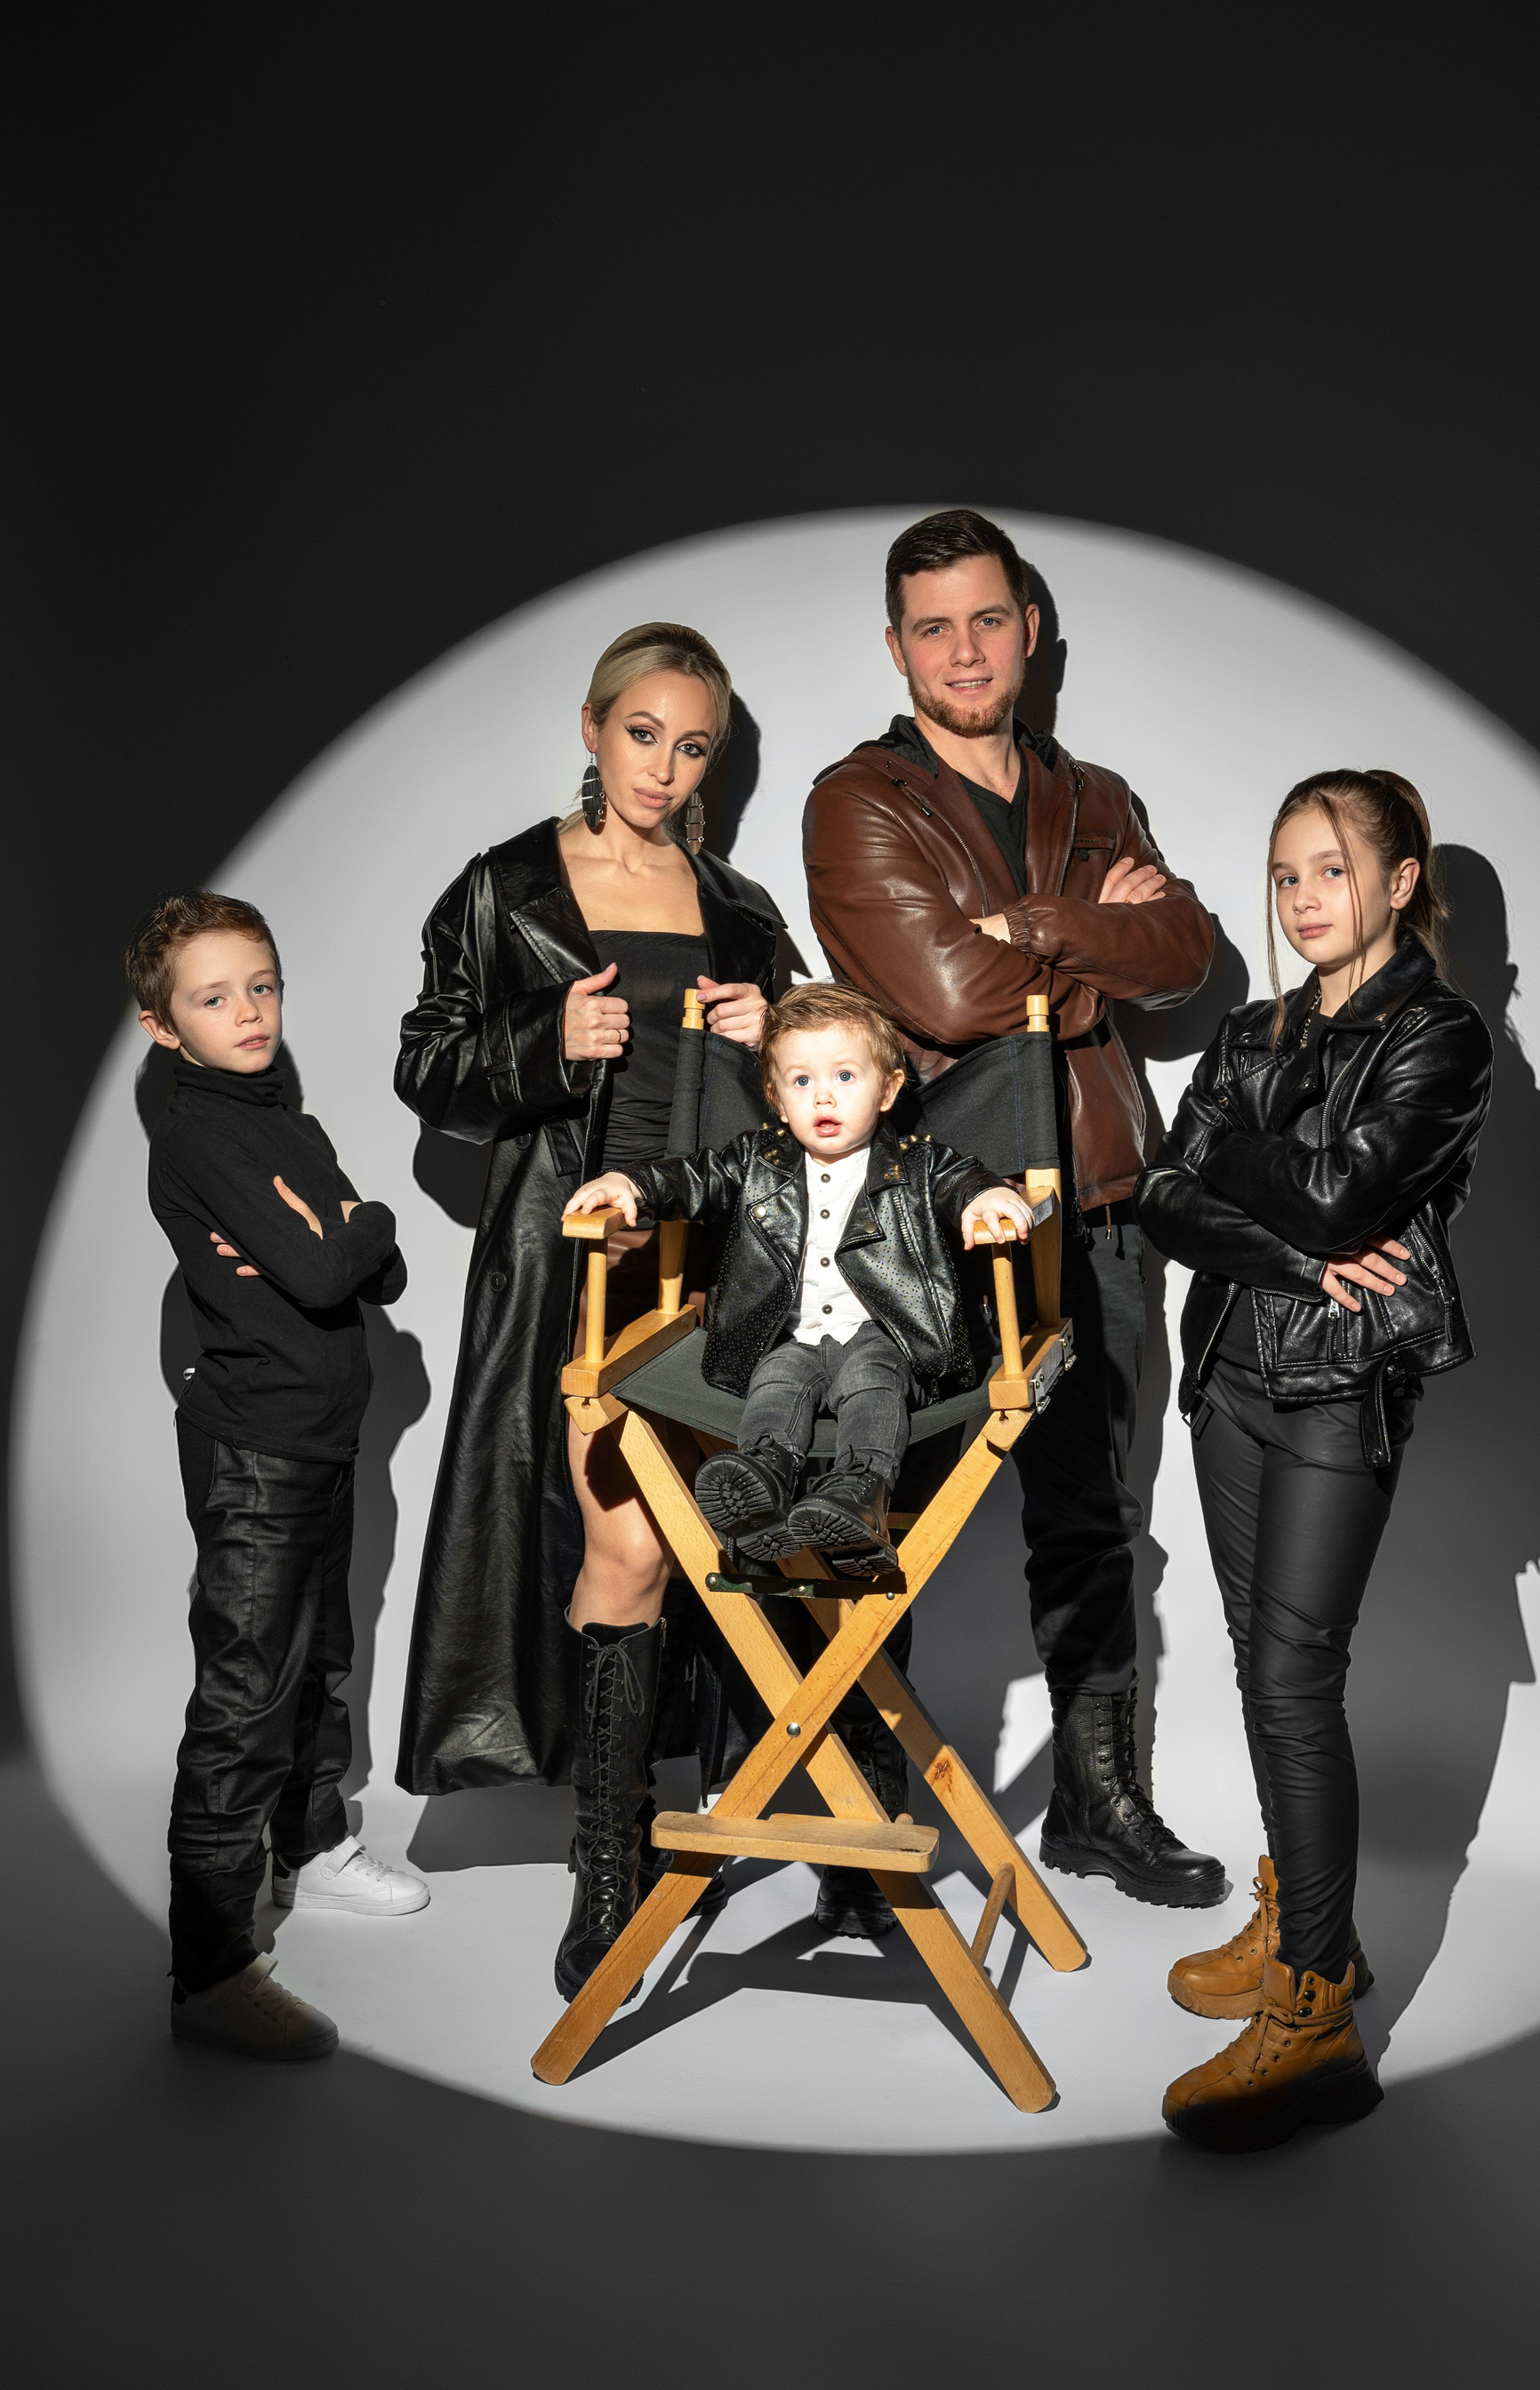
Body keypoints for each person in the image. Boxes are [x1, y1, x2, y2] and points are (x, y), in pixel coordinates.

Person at [804, 507, 1229, 1914]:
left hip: (1097, 1201)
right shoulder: (857, 801)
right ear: (896, 646)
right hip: (933, 1215)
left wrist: (1033, 931)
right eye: (933, 628)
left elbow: (1189, 949)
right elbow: (938, 995)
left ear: (1029, 629)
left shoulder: (1095, 793)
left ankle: (1100, 1808)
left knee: (1095, 1512)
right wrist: (1096, 935)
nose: (965, 651)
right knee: (884, 1509)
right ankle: (862, 1836)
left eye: (988, 620)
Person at [393, 622, 784, 2003]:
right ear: (592, 727)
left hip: (723, 1265)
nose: (664, 769)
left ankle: (700, 1817)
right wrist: (543, 1042)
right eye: (643, 734)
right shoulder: (505, 889)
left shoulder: (740, 907)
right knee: (621, 1532)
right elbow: (426, 1066)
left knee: (712, 1537)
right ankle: (608, 1858)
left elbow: (819, 1090)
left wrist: (771, 1037)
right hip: (580, 1267)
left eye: (694, 748)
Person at [1137, 768, 1494, 2152]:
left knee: (1296, 1684)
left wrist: (1240, 1159)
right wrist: (1292, 1247)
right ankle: (1308, 1923)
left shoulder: (1438, 1038)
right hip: (1230, 1372)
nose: (1301, 898)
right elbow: (1161, 1195)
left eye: (1331, 870)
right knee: (1260, 1668)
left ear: (1399, 883)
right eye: (1286, 874)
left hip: (1342, 1388)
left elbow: (1349, 1194)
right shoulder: (1252, 1029)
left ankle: (1315, 2018)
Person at [129, 891, 426, 2062]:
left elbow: (376, 1274)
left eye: (261, 986)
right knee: (248, 1695)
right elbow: (326, 1269)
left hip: (319, 1433)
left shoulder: (278, 1115)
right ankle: (210, 1973)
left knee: (320, 1659)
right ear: (165, 1027)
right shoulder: (202, 1135)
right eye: (214, 998)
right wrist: (361, 1220)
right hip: (256, 1448)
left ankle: (310, 1843)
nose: (249, 1012)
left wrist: (348, 1234)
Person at [567, 981, 1033, 1581]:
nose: (824, 1097)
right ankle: (760, 1479)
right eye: (802, 1081)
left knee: (872, 1382)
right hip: (791, 1337)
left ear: (888, 1089)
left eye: (845, 1076)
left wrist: (986, 1196)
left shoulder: (916, 1163)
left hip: (886, 1336)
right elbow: (692, 1177)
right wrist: (631, 1183)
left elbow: (960, 1180)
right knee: (775, 1384)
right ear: (777, 1099)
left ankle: (860, 1490)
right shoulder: (756, 1160)